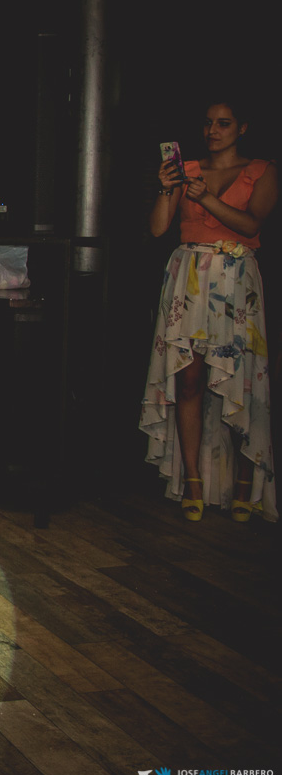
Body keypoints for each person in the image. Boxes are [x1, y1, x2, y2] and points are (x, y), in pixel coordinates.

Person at [143, 99, 277, 522]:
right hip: (189, 276)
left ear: (242, 128)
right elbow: (158, 228)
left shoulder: (262, 171)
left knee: (240, 378)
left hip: (236, 278)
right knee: (189, 377)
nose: (213, 131)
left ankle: (243, 480)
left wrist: (208, 200)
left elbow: (252, 225)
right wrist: (168, 188)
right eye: (208, 124)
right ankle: (193, 480)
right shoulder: (190, 171)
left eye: (223, 124)